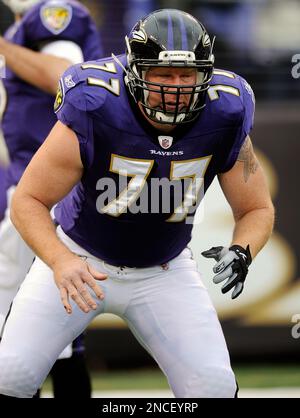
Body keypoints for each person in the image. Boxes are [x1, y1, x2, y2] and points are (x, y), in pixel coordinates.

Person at [0, 9, 274, 398]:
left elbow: (256, 208)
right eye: (163, 75)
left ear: (205, 73)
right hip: (81, 259)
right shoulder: (95, 103)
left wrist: (243, 250)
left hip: (165, 271)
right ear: (136, 73)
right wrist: (60, 261)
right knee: (10, 376)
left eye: (186, 75)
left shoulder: (226, 111)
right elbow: (28, 200)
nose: (176, 87)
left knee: (212, 388)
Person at [0, 0, 103, 398]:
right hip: (32, 184)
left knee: (44, 336)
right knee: (42, 335)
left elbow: (66, 75)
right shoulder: (24, 30)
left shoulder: (54, 14)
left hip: (51, 191)